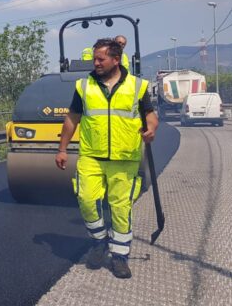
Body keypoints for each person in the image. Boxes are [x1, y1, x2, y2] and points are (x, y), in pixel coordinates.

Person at [55, 38, 158, 279]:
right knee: (87, 199)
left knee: (121, 208)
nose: (96, 63)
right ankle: (99, 241)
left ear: (116, 59)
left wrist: (151, 129)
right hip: (91, 155)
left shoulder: (137, 86)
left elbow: (150, 115)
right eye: (94, 58)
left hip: (125, 158)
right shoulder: (84, 86)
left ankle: (120, 257)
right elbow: (72, 118)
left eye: (101, 59)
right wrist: (62, 149)